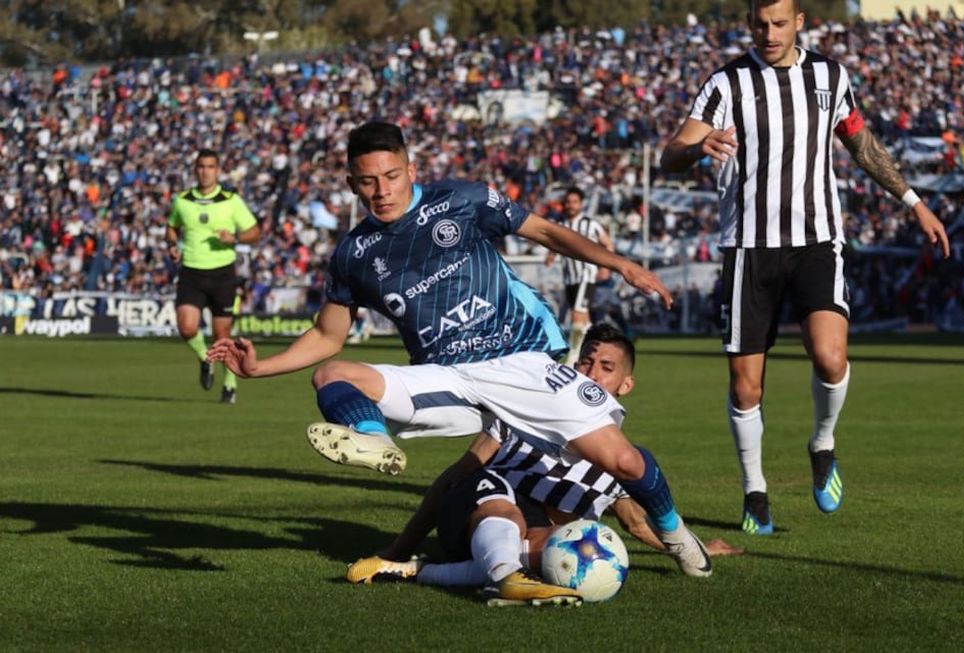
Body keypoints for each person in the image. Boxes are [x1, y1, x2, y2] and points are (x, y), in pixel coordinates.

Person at [208, 122, 710, 579]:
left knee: (624, 462)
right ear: (350, 183)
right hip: (447, 378)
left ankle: (676, 534)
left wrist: (621, 264)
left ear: (411, 169)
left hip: (522, 364)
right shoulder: (354, 254)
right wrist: (260, 367)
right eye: (367, 181)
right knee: (332, 375)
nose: (381, 191)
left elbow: (546, 231)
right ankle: (374, 439)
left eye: (391, 176)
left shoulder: (461, 201)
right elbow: (328, 336)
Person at [660, 0, 950, 534]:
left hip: (817, 240)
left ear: (800, 22)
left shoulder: (830, 76)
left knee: (830, 356)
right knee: (747, 388)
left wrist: (914, 201)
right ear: (750, 26)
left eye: (778, 23)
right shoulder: (726, 84)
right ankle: (755, 491)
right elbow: (670, 154)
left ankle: (822, 443)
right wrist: (702, 145)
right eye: (759, 24)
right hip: (749, 247)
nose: (768, 33)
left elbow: (861, 144)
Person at [344, 325, 741, 606]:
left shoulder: (619, 463)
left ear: (625, 385)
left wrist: (695, 549)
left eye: (606, 367)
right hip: (473, 513)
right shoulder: (519, 416)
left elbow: (636, 523)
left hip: (523, 543)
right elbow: (453, 479)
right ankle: (479, 569)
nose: (591, 373)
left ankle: (435, 572)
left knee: (563, 542)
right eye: (586, 362)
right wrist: (399, 546)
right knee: (499, 498)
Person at [167, 148, 260, 404]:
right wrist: (172, 245)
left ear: (217, 170)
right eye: (201, 166)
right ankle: (204, 358)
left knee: (223, 337)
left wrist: (236, 237)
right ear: (195, 169)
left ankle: (229, 384)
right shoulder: (182, 200)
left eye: (210, 166)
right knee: (186, 327)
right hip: (191, 272)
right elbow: (172, 227)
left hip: (222, 275)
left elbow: (255, 232)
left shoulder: (231, 201)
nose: (205, 171)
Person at [545, 187, 614, 365]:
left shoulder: (591, 224)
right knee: (584, 322)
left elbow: (607, 243)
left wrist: (606, 266)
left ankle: (573, 358)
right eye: (568, 202)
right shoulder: (561, 225)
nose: (571, 205)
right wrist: (551, 254)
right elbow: (555, 243)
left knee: (577, 316)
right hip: (570, 278)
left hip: (586, 275)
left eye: (574, 202)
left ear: (581, 203)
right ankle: (598, 351)